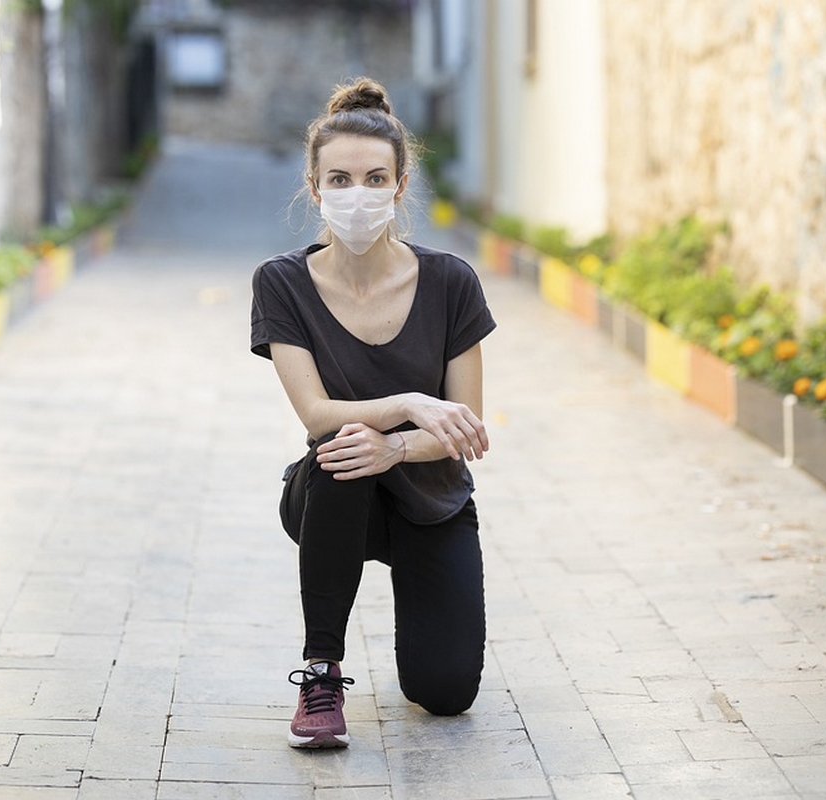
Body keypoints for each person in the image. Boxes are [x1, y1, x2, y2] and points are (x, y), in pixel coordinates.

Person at [250, 77, 496, 749]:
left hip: (429, 497)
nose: (357, 193)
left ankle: (420, 623)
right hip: (332, 495)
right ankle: (321, 675)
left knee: (445, 694)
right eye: (340, 177)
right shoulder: (283, 282)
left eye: (374, 176)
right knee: (346, 441)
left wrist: (399, 446)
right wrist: (408, 406)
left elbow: (464, 430)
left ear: (400, 183)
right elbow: (315, 414)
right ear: (314, 185)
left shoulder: (450, 283)